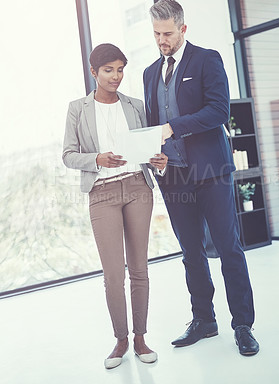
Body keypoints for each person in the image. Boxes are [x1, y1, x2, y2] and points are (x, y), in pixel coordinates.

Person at [143, 0, 259, 356]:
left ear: (182, 29)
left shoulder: (207, 59)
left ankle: (242, 325)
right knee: (191, 253)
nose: (162, 40)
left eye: (167, 33)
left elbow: (218, 110)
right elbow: (153, 126)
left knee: (228, 249)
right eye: (156, 34)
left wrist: (172, 127)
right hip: (173, 175)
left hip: (212, 171)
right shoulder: (149, 72)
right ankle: (204, 320)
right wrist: (155, 152)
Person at [62, 43, 168, 368]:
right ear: (94, 72)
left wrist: (159, 160)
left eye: (120, 69)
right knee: (112, 275)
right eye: (108, 70)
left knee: (139, 269)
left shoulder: (135, 105)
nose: (116, 76)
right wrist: (97, 158)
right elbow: (68, 155)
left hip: (138, 188)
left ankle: (140, 338)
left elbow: (147, 147)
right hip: (102, 193)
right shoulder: (77, 109)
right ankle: (120, 339)